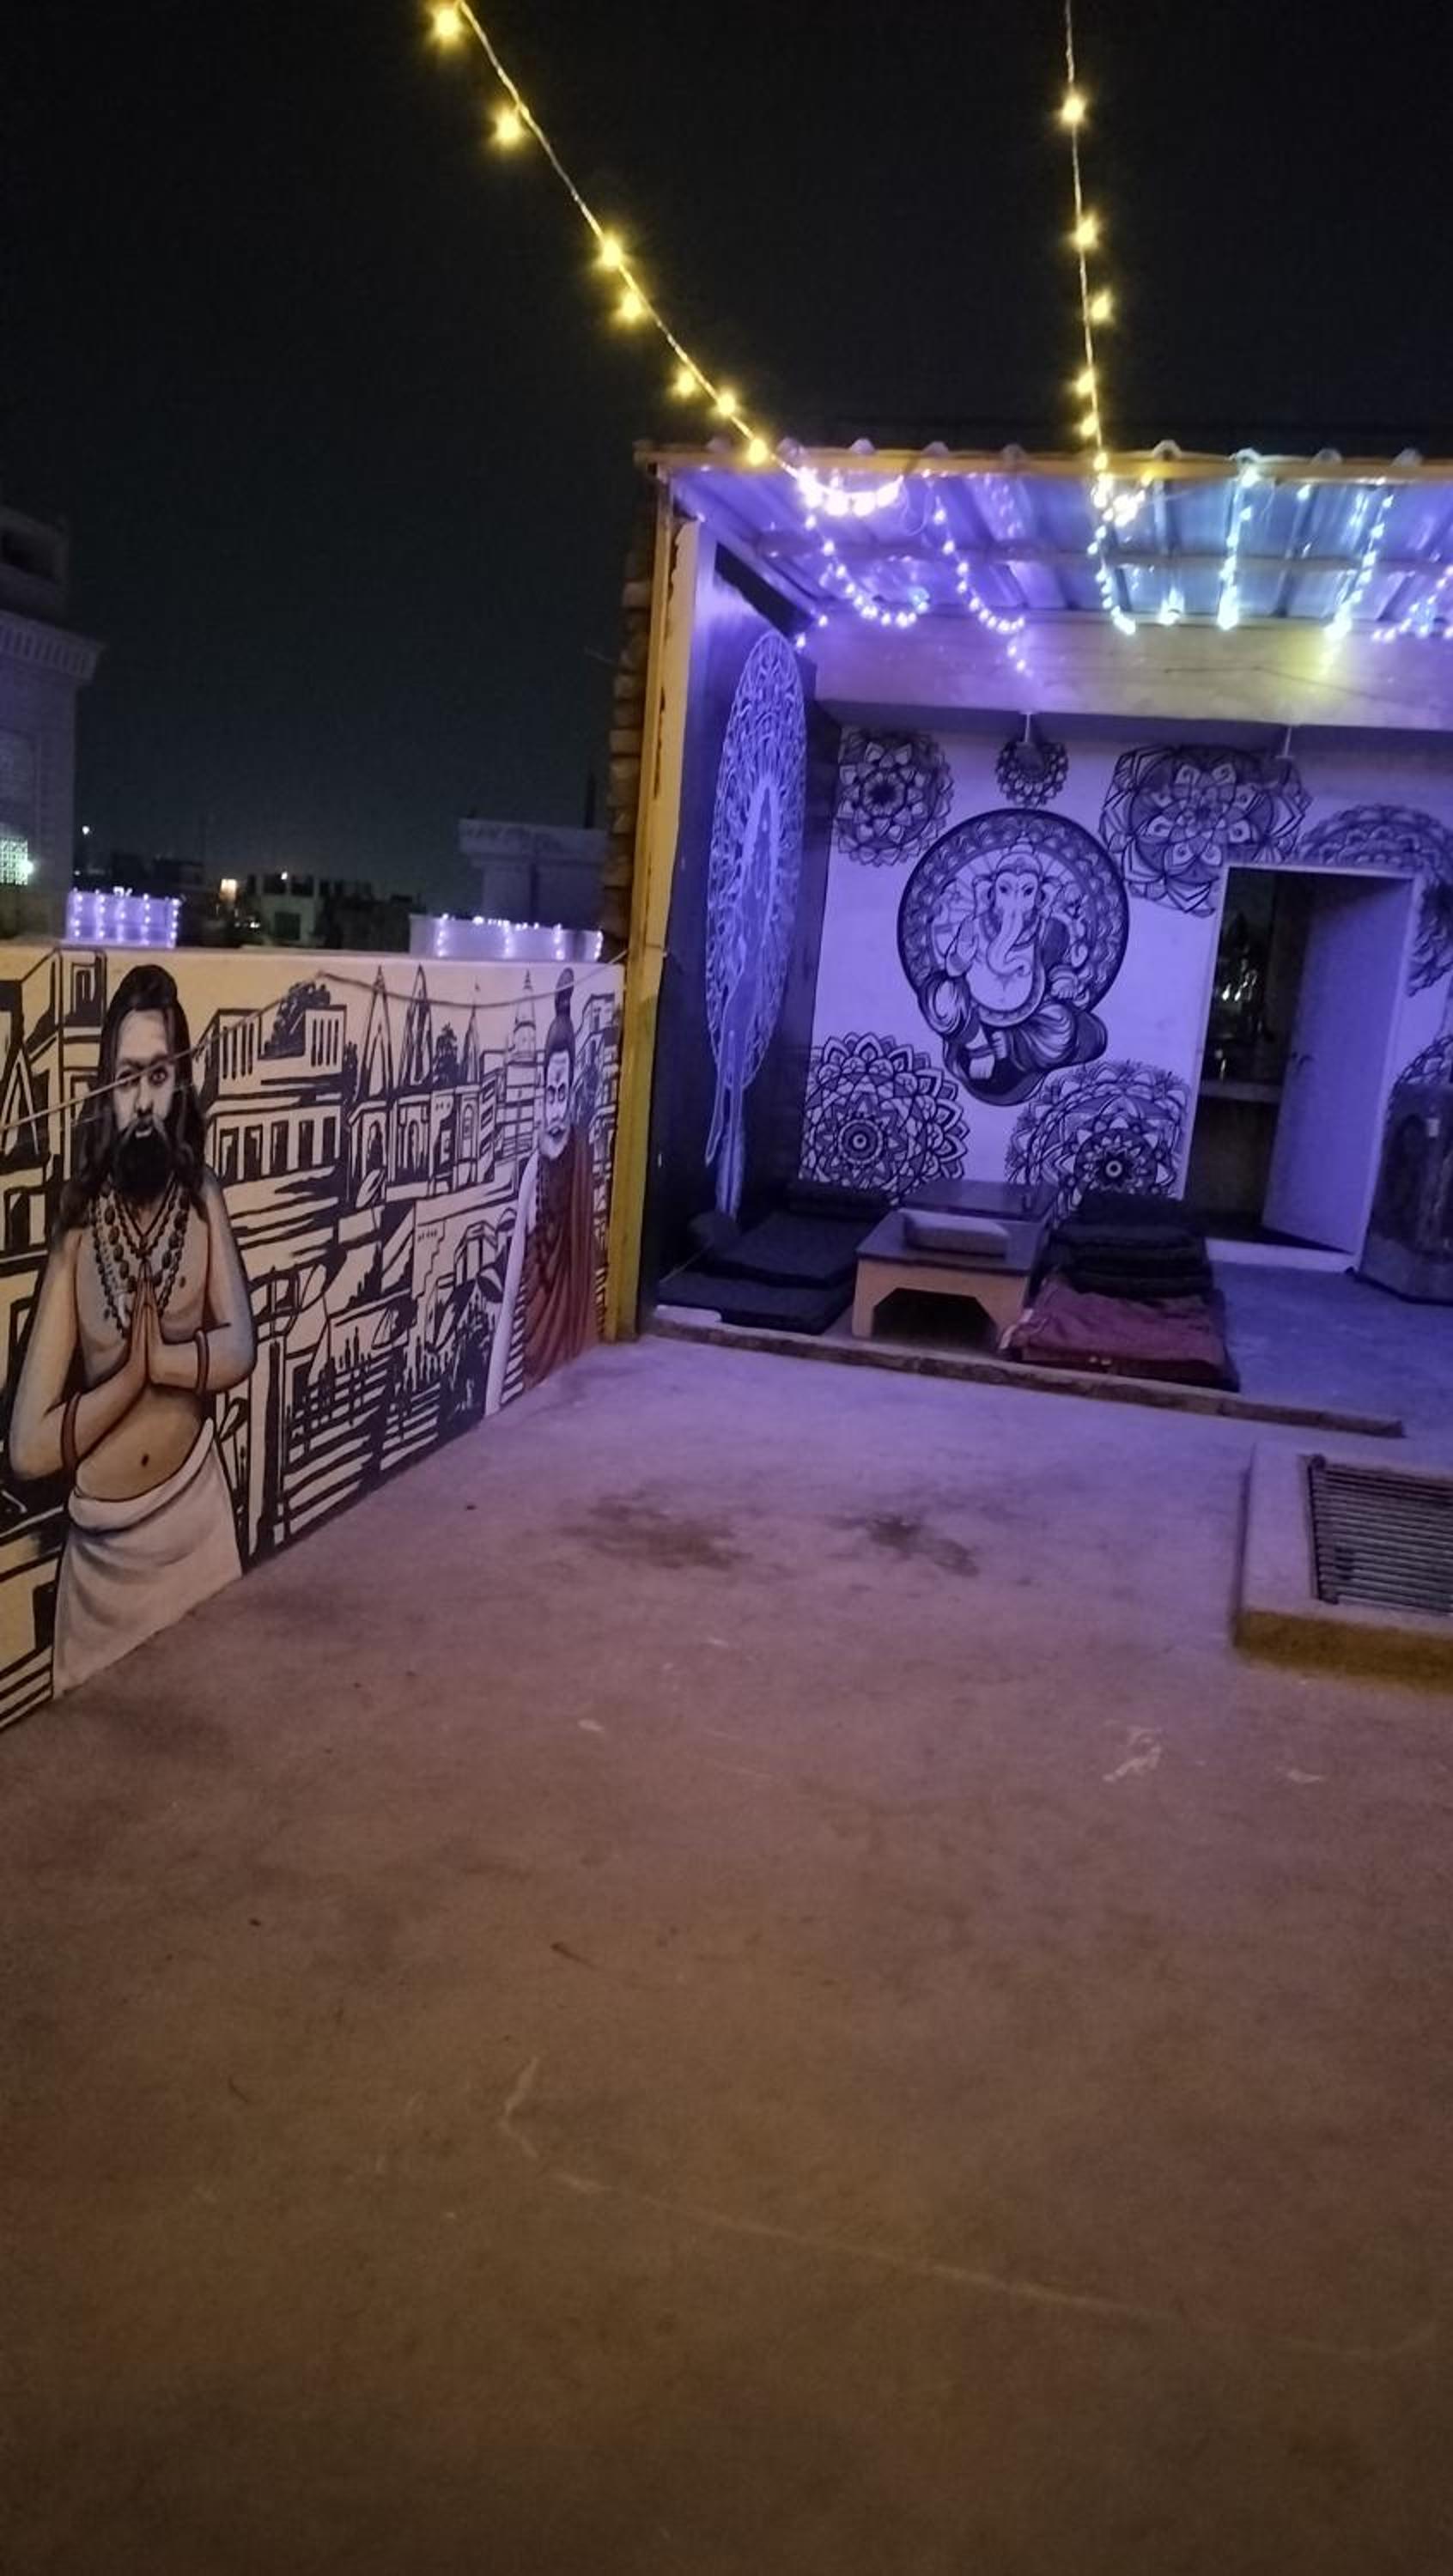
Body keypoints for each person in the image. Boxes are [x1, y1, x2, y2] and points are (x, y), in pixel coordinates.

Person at [9, 964, 257, 1695]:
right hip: (101, 1566)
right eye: (127, 1079)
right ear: (105, 1091)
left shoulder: (202, 1196)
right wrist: (128, 1382)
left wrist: (166, 1364)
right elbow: (26, 1446)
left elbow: (241, 1345)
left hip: (198, 1522)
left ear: (178, 1084)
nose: (143, 1100)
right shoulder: (78, 1230)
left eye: (158, 1075)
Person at [484, 972, 596, 1413]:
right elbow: (511, 1290)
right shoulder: (533, 1171)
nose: (555, 1107)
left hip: (569, 1357)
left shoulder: (582, 1157)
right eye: (549, 1092)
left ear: (573, 1092)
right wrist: (491, 1407)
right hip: (536, 1351)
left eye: (563, 1093)